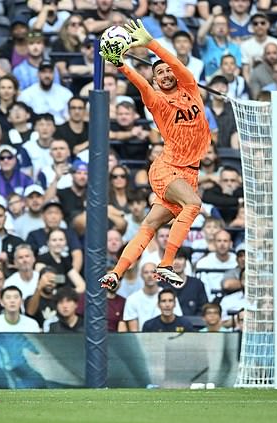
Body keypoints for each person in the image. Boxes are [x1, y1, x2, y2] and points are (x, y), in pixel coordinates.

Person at [99, 20, 212, 290]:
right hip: (168, 169)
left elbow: (178, 65)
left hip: (189, 172)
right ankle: (166, 264)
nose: (164, 74)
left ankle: (116, 272)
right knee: (193, 205)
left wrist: (151, 44)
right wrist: (121, 64)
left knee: (150, 225)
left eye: (166, 70)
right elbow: (141, 85)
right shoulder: (157, 101)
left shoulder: (191, 88)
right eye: (158, 73)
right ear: (155, 81)